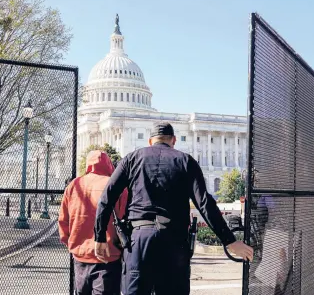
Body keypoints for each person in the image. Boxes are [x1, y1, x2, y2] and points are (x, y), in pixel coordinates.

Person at [93, 122, 253, 295]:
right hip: (174, 240)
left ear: (150, 141)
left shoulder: (132, 159)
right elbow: (205, 203)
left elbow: (106, 198)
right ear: (174, 140)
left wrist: (100, 236)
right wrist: (229, 240)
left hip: (139, 239)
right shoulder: (185, 161)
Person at [59, 151, 127, 295]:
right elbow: (124, 218)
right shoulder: (116, 185)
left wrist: (72, 244)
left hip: (80, 256)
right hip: (108, 255)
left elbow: (64, 221)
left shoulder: (74, 186)